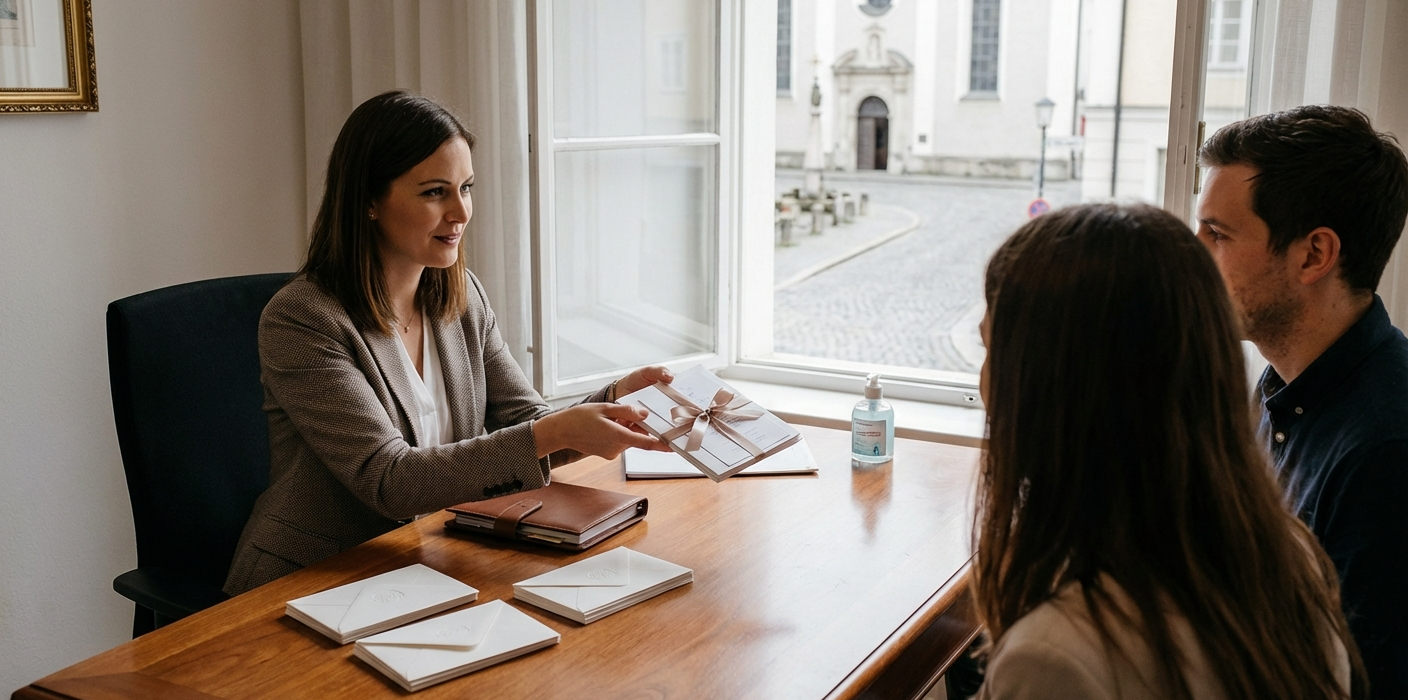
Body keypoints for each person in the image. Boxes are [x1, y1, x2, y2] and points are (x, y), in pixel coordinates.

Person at [224, 91, 670, 596]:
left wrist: (615, 401)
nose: (461, 212)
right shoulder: (303, 319)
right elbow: (390, 480)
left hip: (432, 560)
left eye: (466, 188)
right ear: (368, 201)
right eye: (435, 192)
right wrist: (552, 433)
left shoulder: (461, 297)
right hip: (320, 578)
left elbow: (526, 422)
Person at [973, 203, 1361, 700]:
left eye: (992, 352)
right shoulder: (1295, 558)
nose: (983, 384)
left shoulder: (1053, 656)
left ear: (1053, 390)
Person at [1196, 105, 1408, 698]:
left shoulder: (1386, 451)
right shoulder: (1279, 389)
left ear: (1314, 254)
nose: (1195, 253)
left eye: (1217, 234)